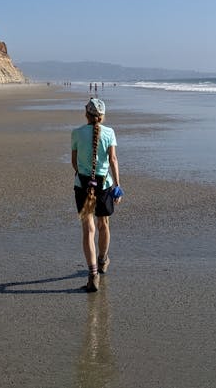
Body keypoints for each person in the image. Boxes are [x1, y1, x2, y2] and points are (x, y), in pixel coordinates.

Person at [72, 98, 122, 293]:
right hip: (104, 185)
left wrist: (83, 175)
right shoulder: (109, 133)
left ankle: (93, 274)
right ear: (102, 116)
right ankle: (103, 261)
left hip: (83, 185)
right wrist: (118, 185)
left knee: (89, 230)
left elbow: (74, 163)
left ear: (86, 113)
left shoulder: (76, 133)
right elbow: (113, 160)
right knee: (104, 225)